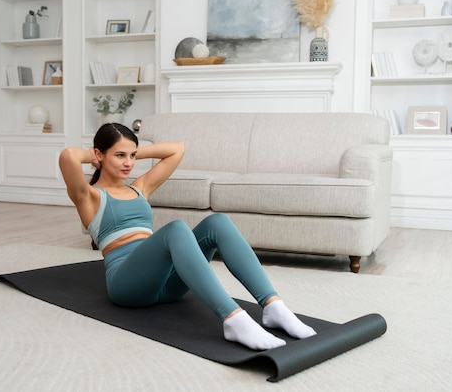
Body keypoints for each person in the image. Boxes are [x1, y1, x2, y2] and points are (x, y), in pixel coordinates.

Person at [58, 123, 316, 350]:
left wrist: (130, 149)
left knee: (218, 222)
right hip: (127, 285)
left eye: (132, 156)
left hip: (167, 285)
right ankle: (233, 319)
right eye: (120, 156)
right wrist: (96, 156)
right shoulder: (89, 196)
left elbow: (177, 149)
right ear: (99, 154)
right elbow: (69, 156)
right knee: (176, 229)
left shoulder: (140, 188)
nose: (128, 163)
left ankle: (273, 306)